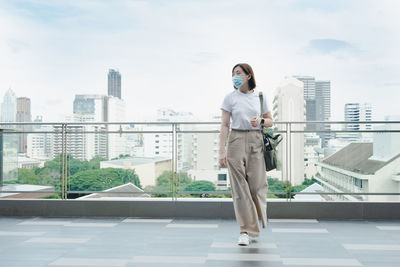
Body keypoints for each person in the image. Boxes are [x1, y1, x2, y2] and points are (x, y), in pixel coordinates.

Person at [219, 63, 273, 246]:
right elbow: (225, 125)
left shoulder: (260, 96)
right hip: (235, 140)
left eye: (239, 73)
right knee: (240, 189)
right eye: (233, 73)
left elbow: (270, 121)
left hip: (256, 140)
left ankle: (254, 219)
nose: (235, 76)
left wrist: (261, 120)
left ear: (249, 75)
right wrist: (221, 151)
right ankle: (244, 231)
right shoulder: (229, 98)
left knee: (257, 186)